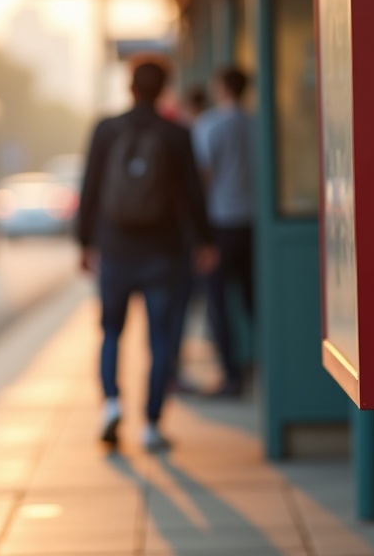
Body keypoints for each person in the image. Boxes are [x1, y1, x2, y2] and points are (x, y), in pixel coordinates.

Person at [76, 58, 215, 451]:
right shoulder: (175, 133)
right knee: (161, 340)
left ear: (130, 87)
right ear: (164, 90)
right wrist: (204, 242)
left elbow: (90, 188)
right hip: (163, 253)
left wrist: (85, 243)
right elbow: (193, 194)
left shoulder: (106, 129)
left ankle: (112, 405)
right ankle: (152, 425)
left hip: (115, 250)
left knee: (112, 332)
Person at [191, 66, 256, 396]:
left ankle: (232, 375)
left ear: (220, 88)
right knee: (253, 301)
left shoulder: (209, 124)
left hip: (220, 223)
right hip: (254, 223)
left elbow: (203, 174)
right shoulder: (256, 123)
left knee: (218, 304)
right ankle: (260, 366)